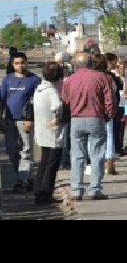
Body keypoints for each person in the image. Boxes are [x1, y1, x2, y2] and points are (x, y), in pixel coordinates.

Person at [61, 51, 115, 200]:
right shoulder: (101, 77)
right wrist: (108, 115)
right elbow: (109, 100)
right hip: (95, 118)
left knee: (77, 155)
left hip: (76, 119)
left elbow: (65, 101)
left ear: (76, 65)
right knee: (97, 154)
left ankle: (76, 190)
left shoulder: (69, 80)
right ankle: (94, 189)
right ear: (91, 63)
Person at [0, 51, 40, 192]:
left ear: (26, 63)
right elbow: (2, 100)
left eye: (22, 62)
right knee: (11, 151)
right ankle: (26, 178)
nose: (20, 65)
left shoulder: (34, 79)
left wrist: (30, 118)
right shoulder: (7, 79)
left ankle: (21, 181)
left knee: (26, 151)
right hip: (9, 121)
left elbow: (37, 101)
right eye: (17, 63)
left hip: (25, 121)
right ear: (12, 64)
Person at [32, 62, 66, 204]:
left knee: (43, 162)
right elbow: (57, 105)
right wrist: (57, 118)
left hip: (41, 130)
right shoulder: (51, 90)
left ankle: (39, 191)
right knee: (51, 165)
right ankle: (45, 193)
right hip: (52, 133)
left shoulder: (39, 88)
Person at [102, 53, 122, 175]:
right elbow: (117, 88)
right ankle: (109, 161)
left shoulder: (97, 75)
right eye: (114, 61)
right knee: (109, 135)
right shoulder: (109, 76)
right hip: (108, 109)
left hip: (97, 109)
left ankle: (95, 162)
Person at [113, 57, 127, 156]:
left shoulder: (126, 76)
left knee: (122, 126)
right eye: (119, 65)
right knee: (116, 126)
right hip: (117, 102)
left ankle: (120, 146)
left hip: (124, 102)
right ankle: (116, 147)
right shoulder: (115, 75)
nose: (121, 67)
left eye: (123, 65)